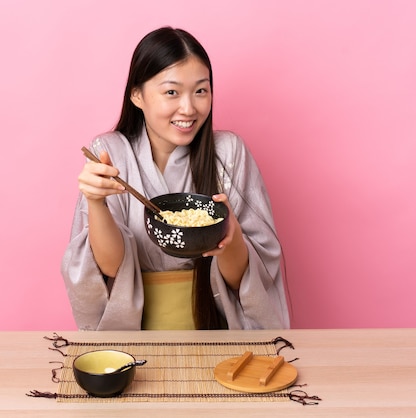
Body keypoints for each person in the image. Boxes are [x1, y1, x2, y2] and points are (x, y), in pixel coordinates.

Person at [61, 26, 289, 331]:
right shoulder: (110, 152)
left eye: (200, 91)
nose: (189, 108)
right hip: (136, 332)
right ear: (137, 95)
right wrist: (96, 202)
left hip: (216, 331)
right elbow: (110, 267)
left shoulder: (229, 152)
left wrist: (230, 239)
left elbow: (246, 279)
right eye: (172, 92)